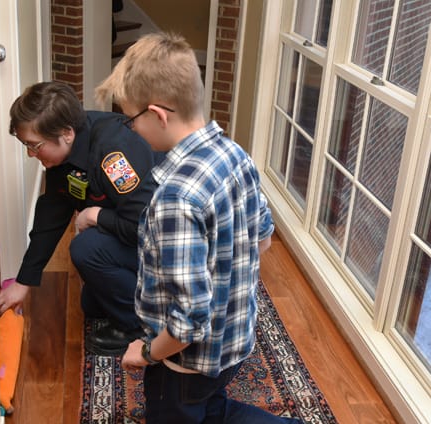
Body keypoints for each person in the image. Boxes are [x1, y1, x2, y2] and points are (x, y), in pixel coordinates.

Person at [95, 33, 302, 423]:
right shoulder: (235, 153)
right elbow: (263, 239)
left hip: (184, 363)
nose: (130, 130)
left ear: (157, 114)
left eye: (130, 119)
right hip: (236, 339)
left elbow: (189, 323)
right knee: (211, 409)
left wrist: (146, 352)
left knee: (181, 412)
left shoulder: (175, 198)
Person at [0, 81, 159, 355]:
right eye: (25, 144)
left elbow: (144, 226)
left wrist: (96, 216)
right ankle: (136, 299)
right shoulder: (64, 156)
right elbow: (50, 217)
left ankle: (140, 327)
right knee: (92, 306)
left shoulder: (114, 154)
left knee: (85, 249)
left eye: (34, 145)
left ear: (67, 133)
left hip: (165, 242)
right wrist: (24, 281)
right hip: (132, 231)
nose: (30, 154)